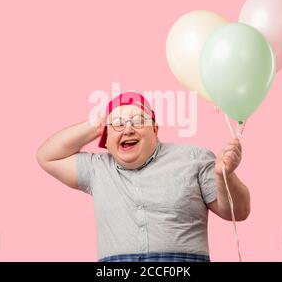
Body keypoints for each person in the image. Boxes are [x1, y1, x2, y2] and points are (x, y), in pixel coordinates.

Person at [36, 91, 250, 262]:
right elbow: (47, 156)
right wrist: (96, 125)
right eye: (118, 124)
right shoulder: (98, 168)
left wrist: (225, 176)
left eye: (138, 120)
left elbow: (239, 212)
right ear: (106, 138)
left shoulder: (194, 158)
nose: (128, 129)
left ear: (155, 130)